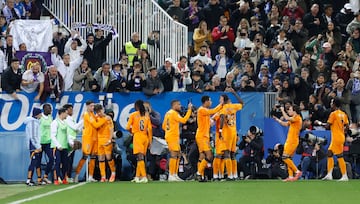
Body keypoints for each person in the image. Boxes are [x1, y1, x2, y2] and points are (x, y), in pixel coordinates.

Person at [74, 100, 107, 182]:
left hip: (94, 138)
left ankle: (90, 176)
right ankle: (76, 175)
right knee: (85, 157)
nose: (93, 107)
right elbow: (96, 125)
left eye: (93, 106)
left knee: (93, 157)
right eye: (91, 106)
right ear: (87, 106)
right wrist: (104, 119)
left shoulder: (92, 114)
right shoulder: (86, 114)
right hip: (88, 138)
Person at [319, 97, 350, 181]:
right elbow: (347, 126)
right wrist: (342, 131)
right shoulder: (343, 114)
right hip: (341, 137)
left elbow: (327, 126)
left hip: (336, 138)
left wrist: (319, 123)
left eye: (332, 103)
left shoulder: (333, 114)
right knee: (330, 153)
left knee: (339, 156)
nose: (331, 104)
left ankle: (344, 175)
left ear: (335, 104)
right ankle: (330, 174)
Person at [162, 100, 192, 181]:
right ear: (174, 105)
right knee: (174, 155)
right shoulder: (174, 113)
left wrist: (169, 130)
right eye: (178, 104)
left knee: (178, 154)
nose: (180, 106)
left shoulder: (168, 113)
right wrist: (189, 110)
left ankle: (175, 174)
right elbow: (184, 120)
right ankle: (171, 175)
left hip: (172, 136)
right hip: (172, 137)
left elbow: (163, 126)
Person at [273, 104, 303, 181]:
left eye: (290, 110)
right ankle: (290, 176)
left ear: (294, 111)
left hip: (292, 141)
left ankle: (297, 171)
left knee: (284, 157)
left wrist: (282, 110)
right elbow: (285, 124)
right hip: (290, 140)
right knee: (289, 158)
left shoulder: (297, 118)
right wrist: (277, 120)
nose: (288, 111)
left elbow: (286, 118)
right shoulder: (293, 119)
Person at [196, 95, 223, 181]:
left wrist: (218, 114)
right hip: (202, 137)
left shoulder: (205, 113)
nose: (211, 102)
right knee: (209, 156)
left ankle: (201, 176)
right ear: (206, 102)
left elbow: (211, 122)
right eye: (210, 101)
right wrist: (221, 104)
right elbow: (213, 110)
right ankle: (199, 173)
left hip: (203, 136)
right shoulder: (202, 110)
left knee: (202, 156)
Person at [219, 91, 244, 180]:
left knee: (226, 153)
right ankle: (235, 175)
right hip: (234, 132)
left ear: (223, 100)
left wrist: (220, 130)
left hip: (227, 133)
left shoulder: (224, 108)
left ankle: (229, 175)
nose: (219, 100)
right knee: (233, 154)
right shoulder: (233, 106)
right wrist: (234, 93)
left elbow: (222, 118)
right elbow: (242, 103)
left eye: (220, 99)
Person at [126, 100, 152, 183]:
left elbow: (127, 127)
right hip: (145, 137)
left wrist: (132, 131)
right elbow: (150, 129)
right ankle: (137, 177)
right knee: (140, 158)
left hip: (137, 136)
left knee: (140, 158)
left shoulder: (133, 115)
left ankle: (144, 176)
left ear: (136, 106)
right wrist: (150, 141)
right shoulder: (146, 116)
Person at [94, 104, 116, 182]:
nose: (99, 113)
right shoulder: (96, 118)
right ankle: (103, 176)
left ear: (102, 110)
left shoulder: (108, 118)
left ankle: (113, 173)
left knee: (109, 157)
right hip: (99, 140)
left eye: (100, 111)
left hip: (107, 140)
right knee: (101, 158)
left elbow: (111, 129)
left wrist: (110, 139)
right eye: (97, 112)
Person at [62, 104, 83, 183]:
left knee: (70, 160)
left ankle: (68, 176)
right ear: (67, 110)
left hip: (73, 141)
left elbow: (77, 130)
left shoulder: (72, 119)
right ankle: (65, 176)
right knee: (67, 160)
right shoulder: (67, 119)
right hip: (68, 141)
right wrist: (83, 120)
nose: (72, 110)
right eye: (70, 109)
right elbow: (74, 127)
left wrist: (82, 123)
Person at [24, 107, 43, 186]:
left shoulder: (36, 122)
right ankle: (29, 179)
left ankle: (38, 179)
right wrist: (38, 146)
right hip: (33, 145)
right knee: (33, 162)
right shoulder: (32, 123)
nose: (41, 115)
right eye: (40, 113)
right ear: (37, 114)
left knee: (37, 162)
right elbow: (33, 136)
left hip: (35, 144)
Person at [50, 108, 69, 185]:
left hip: (64, 146)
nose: (67, 115)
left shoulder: (65, 123)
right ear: (62, 113)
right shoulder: (55, 122)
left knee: (65, 163)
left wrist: (70, 142)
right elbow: (52, 136)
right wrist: (58, 145)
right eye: (66, 113)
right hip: (57, 147)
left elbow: (67, 135)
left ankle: (64, 178)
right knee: (57, 163)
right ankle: (56, 179)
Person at [39, 103, 53, 184]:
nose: (50, 110)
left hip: (48, 142)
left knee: (51, 159)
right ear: (44, 109)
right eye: (48, 108)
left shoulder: (51, 117)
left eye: (50, 108)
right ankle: (38, 178)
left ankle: (45, 176)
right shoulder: (40, 118)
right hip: (40, 142)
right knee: (38, 161)